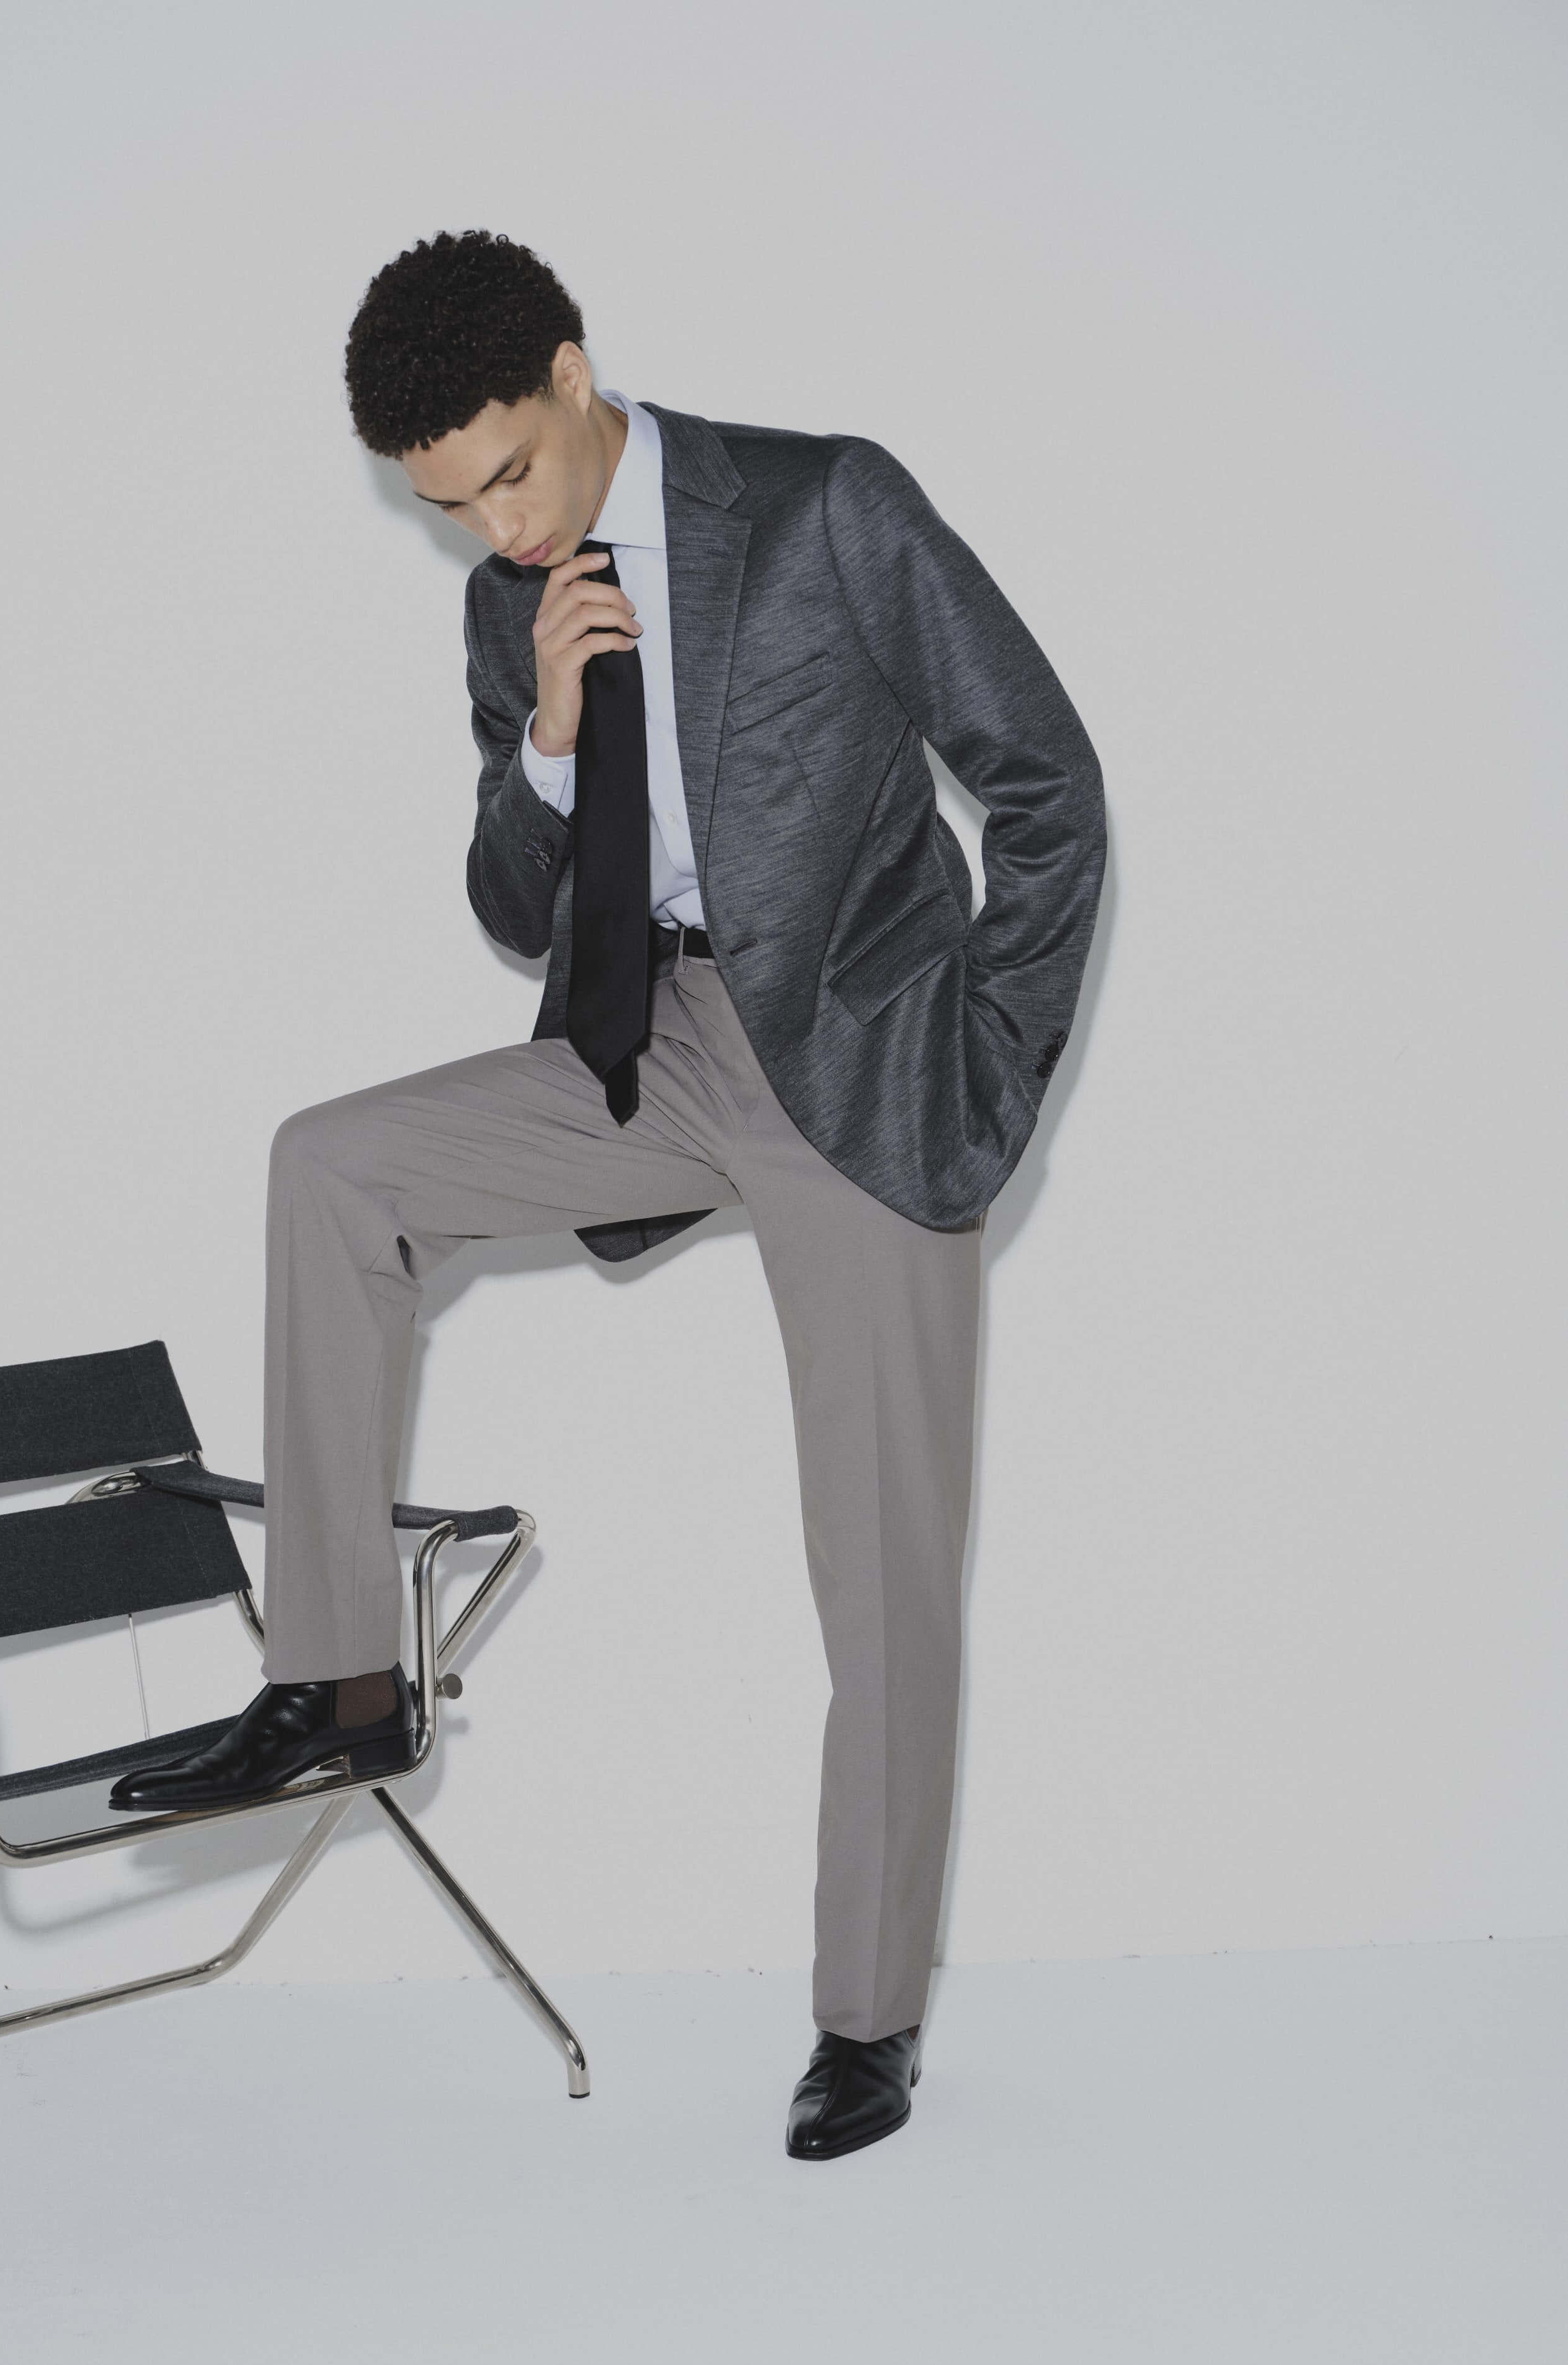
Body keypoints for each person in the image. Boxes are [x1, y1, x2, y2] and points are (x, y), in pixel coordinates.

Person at [110, 228, 1106, 2162]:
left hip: (866, 1073)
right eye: (445, 507)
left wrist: (986, 1069)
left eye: (506, 473)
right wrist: (554, 752)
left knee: (880, 1568)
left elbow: (1046, 784)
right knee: (332, 1164)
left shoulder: (824, 505)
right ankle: (336, 1674)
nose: (492, 526)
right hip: (652, 1051)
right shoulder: (511, 608)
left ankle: (867, 2019)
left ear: (573, 374)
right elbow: (515, 907)